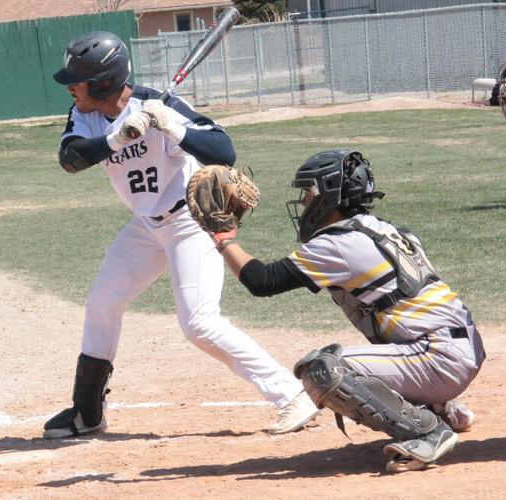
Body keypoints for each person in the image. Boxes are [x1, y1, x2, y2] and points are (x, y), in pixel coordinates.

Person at [42, 31, 320, 440]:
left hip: (190, 222)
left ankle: (292, 395)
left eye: (77, 81)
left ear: (103, 83)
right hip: (145, 226)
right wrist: (118, 137)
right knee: (103, 302)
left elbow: (224, 152)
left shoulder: (162, 105)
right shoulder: (83, 114)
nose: (70, 88)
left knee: (199, 323)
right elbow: (71, 159)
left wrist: (173, 128)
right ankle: (88, 412)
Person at [208, 149, 486, 472]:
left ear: (329, 195)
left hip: (440, 356)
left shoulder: (338, 244)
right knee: (388, 319)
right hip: (459, 349)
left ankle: (428, 430)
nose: (304, 202)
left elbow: (262, 281)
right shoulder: (383, 229)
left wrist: (223, 238)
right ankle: (442, 406)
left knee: (323, 370)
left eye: (308, 193)